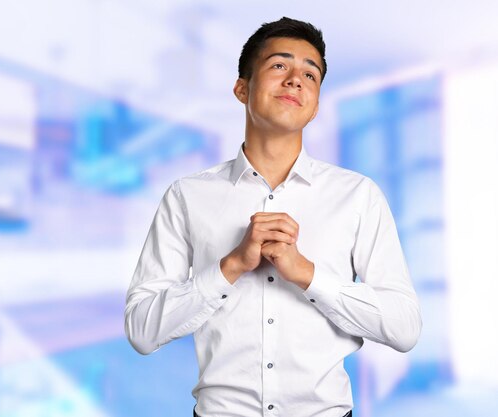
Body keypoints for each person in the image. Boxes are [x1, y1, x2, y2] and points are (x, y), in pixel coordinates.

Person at [125, 17, 422, 417]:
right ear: (241, 88)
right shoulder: (187, 196)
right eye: (279, 65)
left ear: (315, 105)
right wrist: (230, 267)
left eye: (310, 74)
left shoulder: (358, 196)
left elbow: (404, 328)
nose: (296, 80)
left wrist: (307, 274)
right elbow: (142, 331)